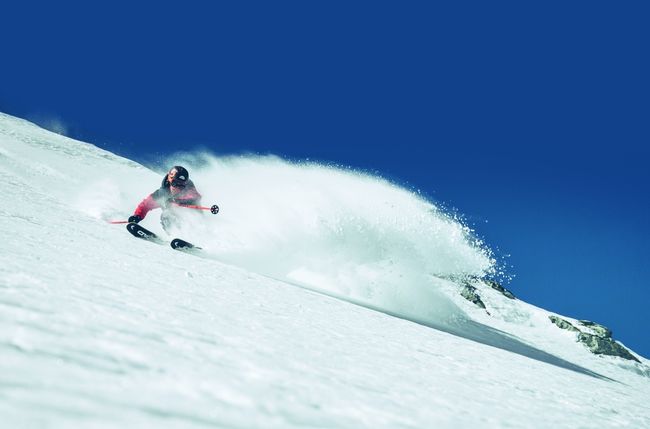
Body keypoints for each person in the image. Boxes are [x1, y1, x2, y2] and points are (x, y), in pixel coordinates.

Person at [128, 166, 202, 232]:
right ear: (170, 179)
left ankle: (197, 235)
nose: (177, 188)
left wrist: (180, 201)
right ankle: (175, 235)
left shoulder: (189, 189)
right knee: (166, 214)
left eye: (181, 186)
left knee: (174, 214)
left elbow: (196, 197)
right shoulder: (161, 194)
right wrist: (137, 216)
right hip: (174, 219)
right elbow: (145, 205)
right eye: (174, 183)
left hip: (193, 218)